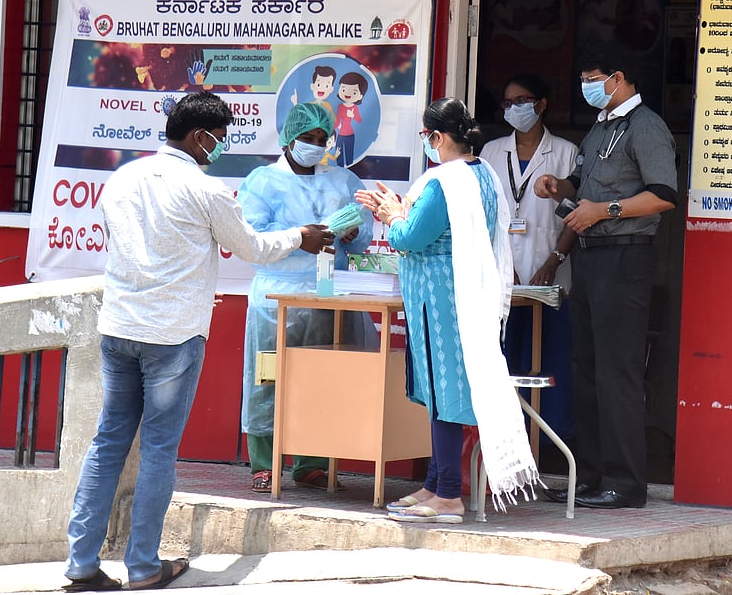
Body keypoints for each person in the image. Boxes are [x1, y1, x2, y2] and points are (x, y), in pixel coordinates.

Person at [64, 92, 334, 593]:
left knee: (109, 441)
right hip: (173, 335)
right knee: (159, 448)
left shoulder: (122, 178)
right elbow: (253, 247)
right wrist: (301, 236)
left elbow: (120, 244)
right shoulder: (206, 189)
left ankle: (81, 562)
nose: (221, 147)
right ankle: (143, 566)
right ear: (199, 137)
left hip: (119, 327)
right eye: (219, 138)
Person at [355, 98, 538, 523]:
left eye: (426, 136)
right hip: (460, 295)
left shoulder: (442, 182)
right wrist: (400, 211)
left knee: (445, 395)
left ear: (437, 137)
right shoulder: (482, 172)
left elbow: (411, 237)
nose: (426, 144)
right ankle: (435, 485)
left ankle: (449, 496)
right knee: (442, 394)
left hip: (441, 299)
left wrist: (393, 215)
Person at [533, 51, 678, 510]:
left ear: (618, 77)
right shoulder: (600, 127)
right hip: (591, 259)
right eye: (582, 79)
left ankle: (626, 483)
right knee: (587, 371)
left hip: (626, 258)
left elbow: (663, 195)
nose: (587, 87)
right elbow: (581, 184)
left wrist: (605, 210)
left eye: (592, 79)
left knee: (617, 373)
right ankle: (591, 476)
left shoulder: (646, 127)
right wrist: (559, 186)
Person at [238, 102, 376, 493]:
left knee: (321, 379)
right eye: (306, 138)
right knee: (269, 376)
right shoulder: (263, 181)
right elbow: (252, 237)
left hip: (328, 294)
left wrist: (353, 234)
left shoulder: (343, 181)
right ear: (287, 139)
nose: (314, 145)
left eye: (321, 138)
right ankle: (264, 463)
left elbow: (362, 235)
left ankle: (311, 463)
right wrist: (300, 237)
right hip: (276, 293)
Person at [479, 73, 578, 440]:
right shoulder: (491, 152)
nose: (514, 109)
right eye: (508, 103)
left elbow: (574, 214)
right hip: (504, 281)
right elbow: (485, 215)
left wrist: (554, 260)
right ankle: (507, 442)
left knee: (550, 362)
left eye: (522, 101)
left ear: (541, 105)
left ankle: (549, 445)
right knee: (506, 361)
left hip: (549, 279)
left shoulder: (566, 152)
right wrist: (504, 266)